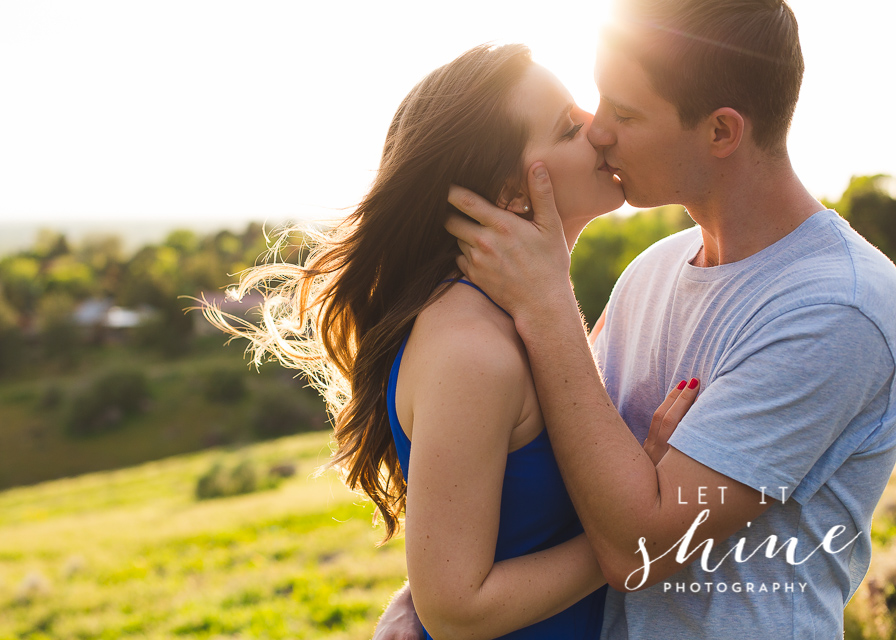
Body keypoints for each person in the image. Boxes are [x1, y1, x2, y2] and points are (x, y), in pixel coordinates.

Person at [375, 1, 896, 638]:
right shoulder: (655, 269)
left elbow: (637, 547)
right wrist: (428, 587)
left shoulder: (837, 308)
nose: (599, 132)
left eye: (622, 113)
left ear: (721, 132)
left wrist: (547, 303)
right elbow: (540, 461)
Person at [204, 43, 698, 639]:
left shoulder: (526, 320)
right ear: (511, 191)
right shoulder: (473, 350)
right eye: (569, 128)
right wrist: (626, 537)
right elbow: (455, 609)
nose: (598, 130)